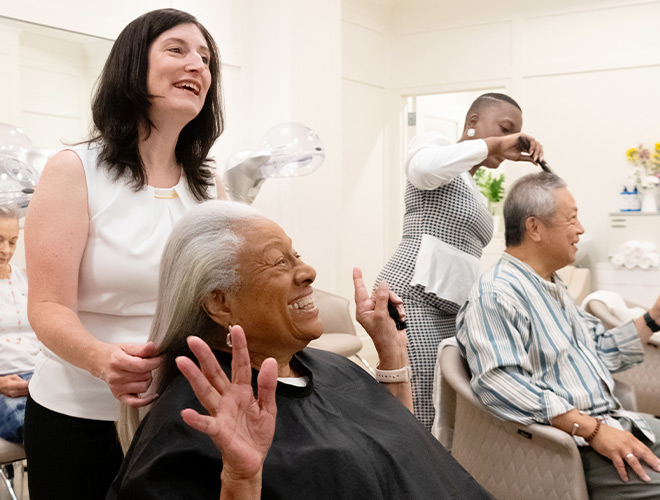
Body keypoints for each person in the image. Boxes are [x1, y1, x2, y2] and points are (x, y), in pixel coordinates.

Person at [107, 200, 494, 500]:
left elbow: (400, 443)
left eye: (297, 255)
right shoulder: (197, 418)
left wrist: (391, 355)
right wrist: (241, 480)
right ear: (221, 304)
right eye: (279, 263)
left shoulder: (331, 368)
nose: (308, 272)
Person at [23, 8, 228, 500]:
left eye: (205, 59)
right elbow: (47, 307)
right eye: (177, 50)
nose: (197, 66)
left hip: (181, 415)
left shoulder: (209, 186)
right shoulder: (75, 170)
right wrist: (102, 360)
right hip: (80, 418)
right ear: (133, 67)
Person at [457, 172, 660, 499]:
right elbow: (499, 382)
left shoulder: (551, 286)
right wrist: (593, 431)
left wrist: (653, 318)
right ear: (534, 227)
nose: (581, 230)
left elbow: (601, 351)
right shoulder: (497, 295)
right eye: (572, 219)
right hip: (575, 449)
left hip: (614, 423)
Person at [375, 92, 545, 429]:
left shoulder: (471, 184)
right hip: (412, 299)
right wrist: (495, 145)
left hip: (450, 308)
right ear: (472, 123)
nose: (508, 139)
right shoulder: (433, 147)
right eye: (504, 128)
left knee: (444, 403)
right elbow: (422, 169)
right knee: (419, 404)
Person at [0, 205, 39, 444]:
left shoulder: (26, 278)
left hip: (40, 378)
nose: (5, 251)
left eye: (13, 242)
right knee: (39, 430)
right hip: (4, 383)